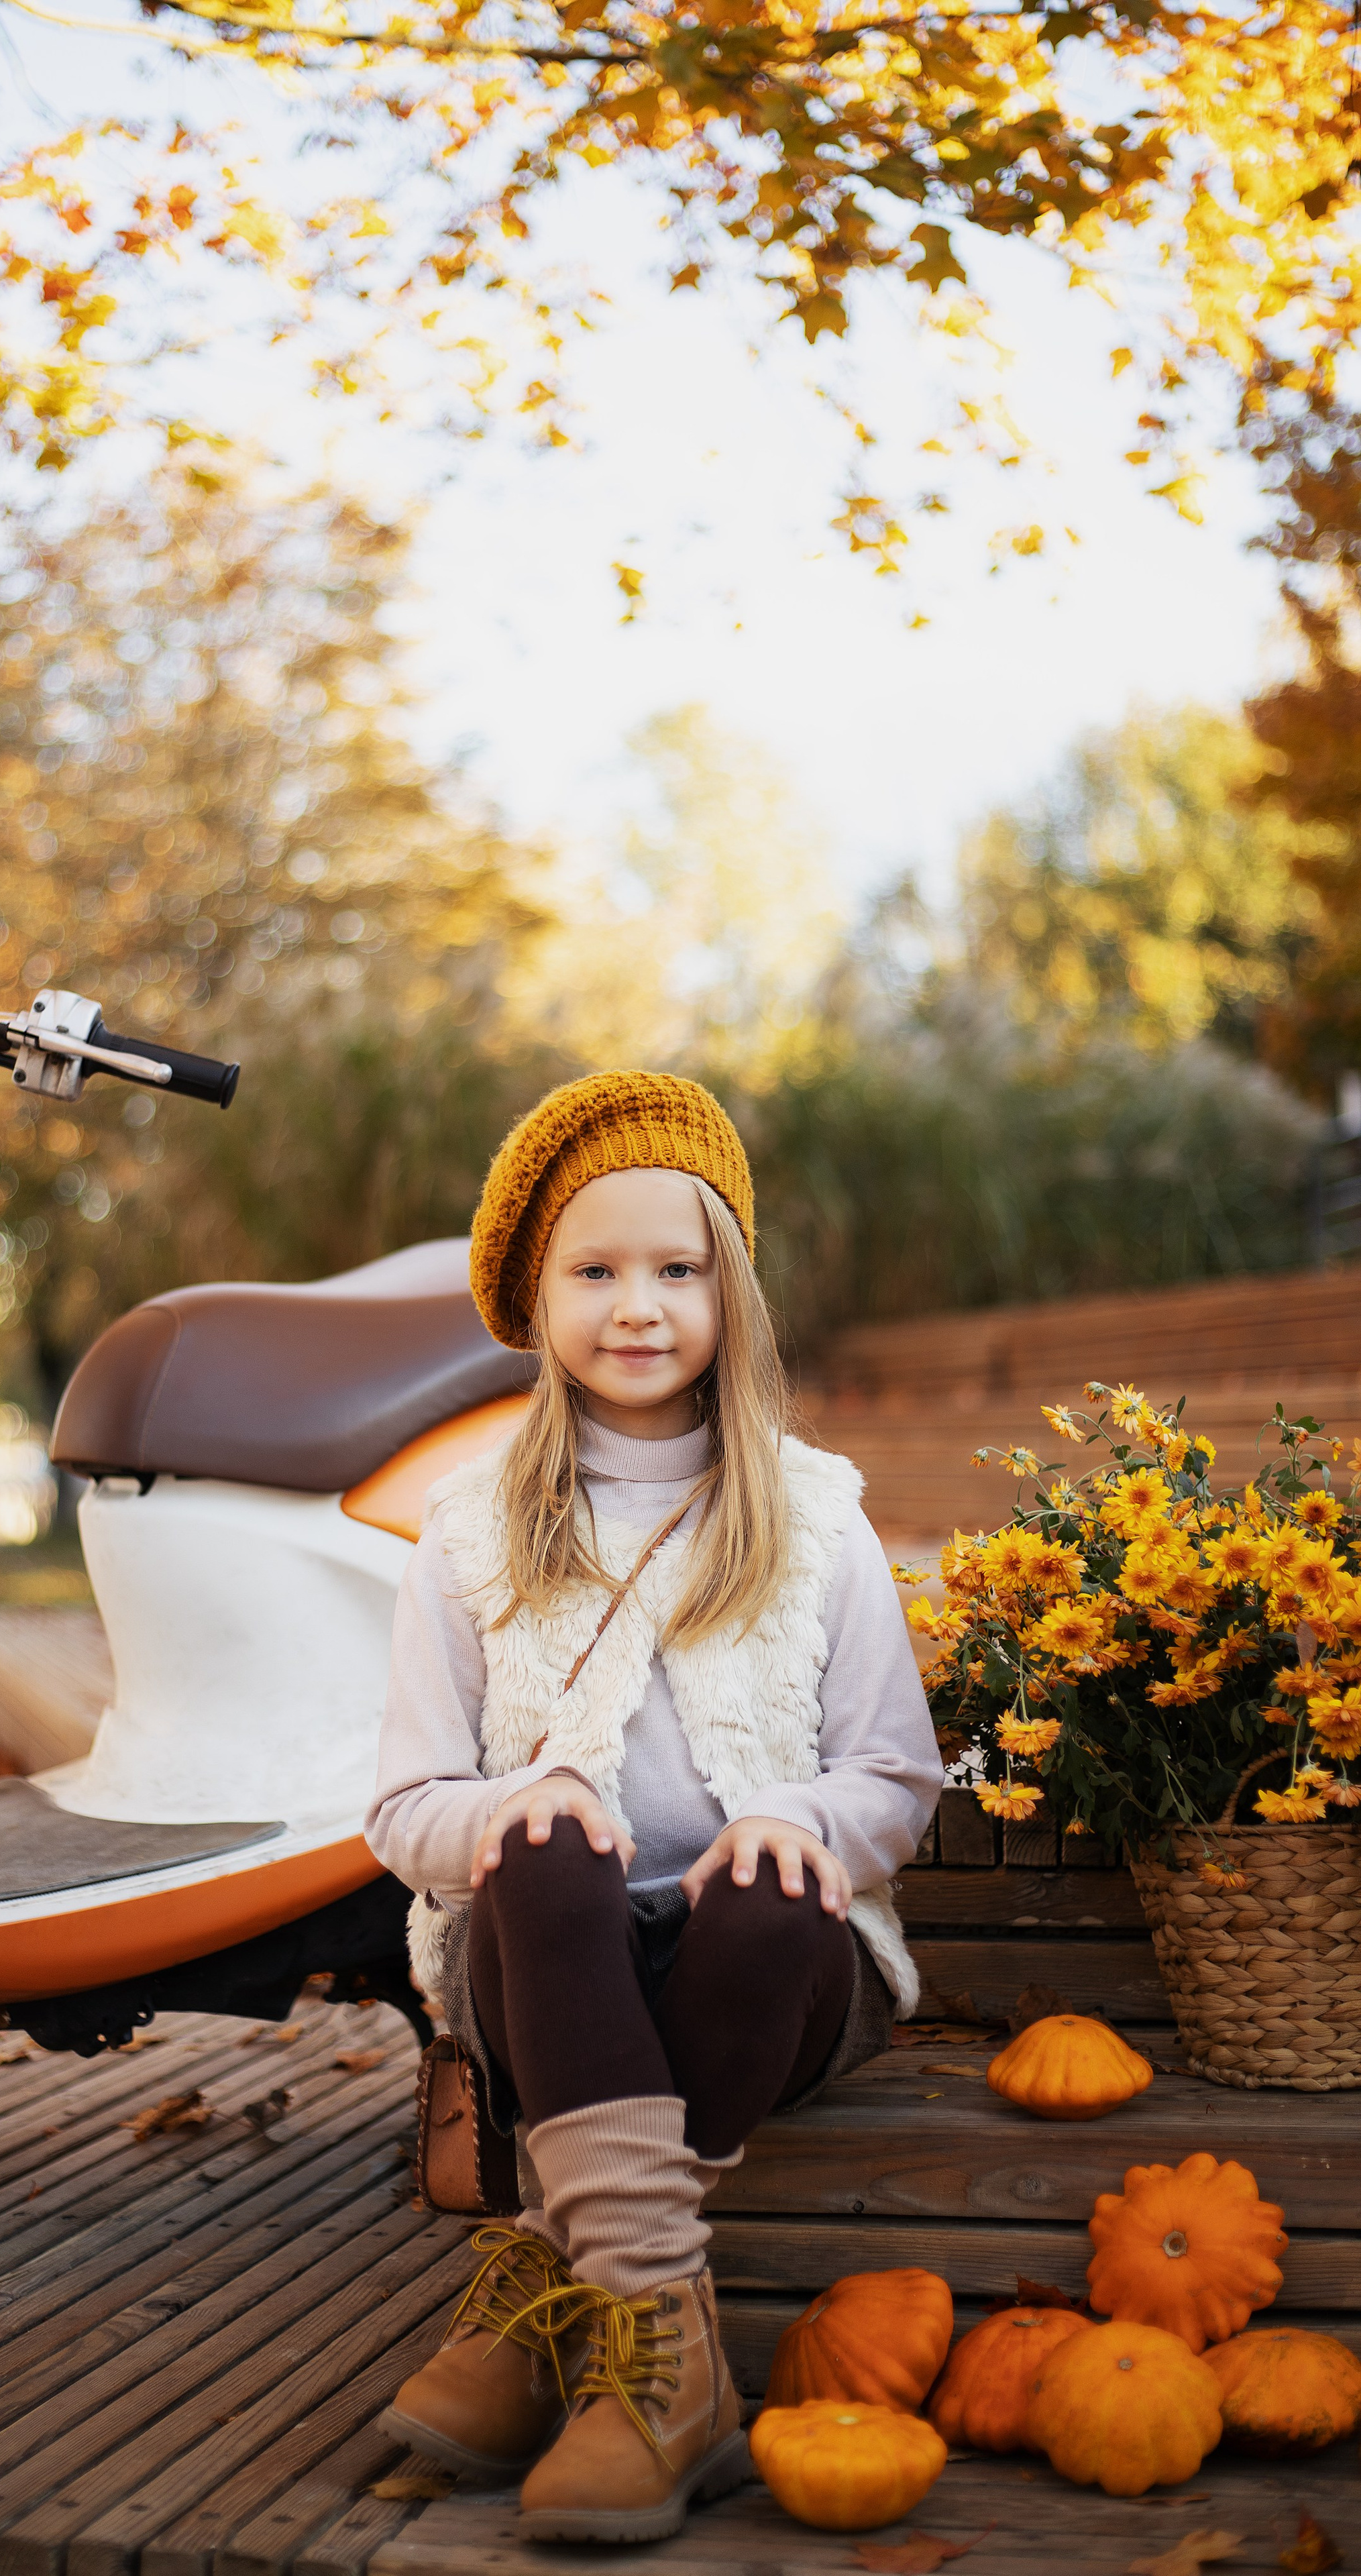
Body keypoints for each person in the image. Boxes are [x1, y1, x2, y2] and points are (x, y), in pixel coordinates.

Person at [366, 1071, 942, 2547]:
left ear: (726, 1293)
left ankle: (545, 2281)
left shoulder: (813, 1513)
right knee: (544, 1853)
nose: (638, 1305)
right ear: (538, 1297)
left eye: (676, 1270)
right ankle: (664, 2370)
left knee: (765, 1894)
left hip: (771, 1977)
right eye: (596, 1270)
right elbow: (401, 1810)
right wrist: (510, 1806)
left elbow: (894, 1775)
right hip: (542, 1970)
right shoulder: (471, 1525)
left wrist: (804, 1822)